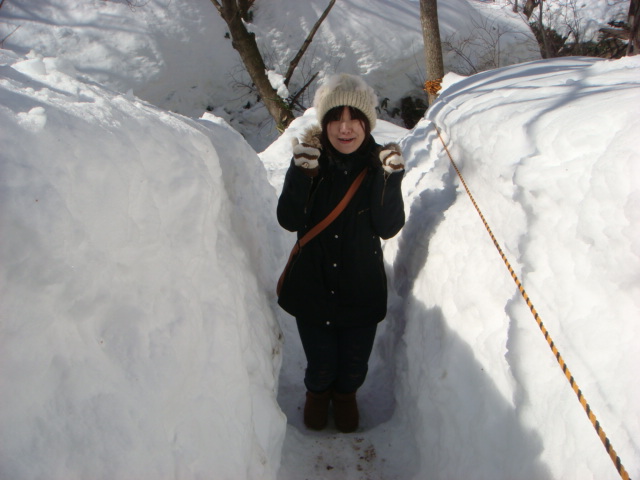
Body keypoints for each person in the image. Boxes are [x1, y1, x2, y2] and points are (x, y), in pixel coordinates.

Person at [277, 73, 406, 433]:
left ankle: (346, 396)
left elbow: (388, 227)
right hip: (313, 286)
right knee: (320, 364)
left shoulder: (378, 166)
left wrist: (389, 180)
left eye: (354, 119)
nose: (345, 128)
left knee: (353, 365)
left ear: (367, 124)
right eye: (336, 117)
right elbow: (288, 219)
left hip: (360, 288)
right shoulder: (311, 161)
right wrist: (301, 174)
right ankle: (318, 395)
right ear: (325, 123)